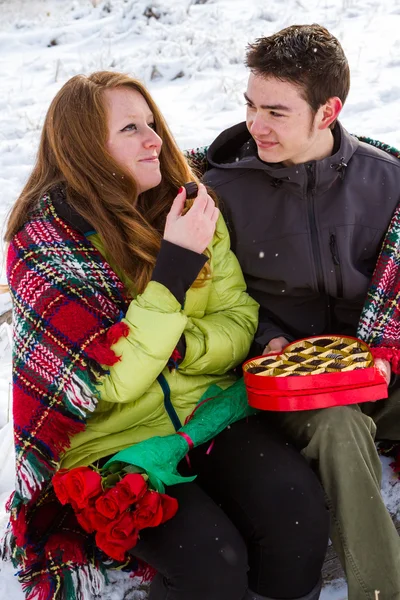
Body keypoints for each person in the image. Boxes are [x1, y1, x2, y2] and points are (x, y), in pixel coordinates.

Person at [2, 71, 329, 600]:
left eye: (151, 123)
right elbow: (110, 383)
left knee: (298, 515)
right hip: (116, 447)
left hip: (208, 411)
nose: (155, 139)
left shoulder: (188, 209)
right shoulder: (46, 247)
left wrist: (174, 349)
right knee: (212, 562)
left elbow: (238, 321)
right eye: (131, 128)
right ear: (86, 148)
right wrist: (173, 271)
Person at [204, 23, 400, 600]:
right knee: (341, 431)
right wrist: (268, 340)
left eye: (275, 111)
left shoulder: (387, 182)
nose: (255, 125)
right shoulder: (222, 192)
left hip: (377, 371)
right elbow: (218, 299)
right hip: (287, 388)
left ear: (327, 110)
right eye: (249, 106)